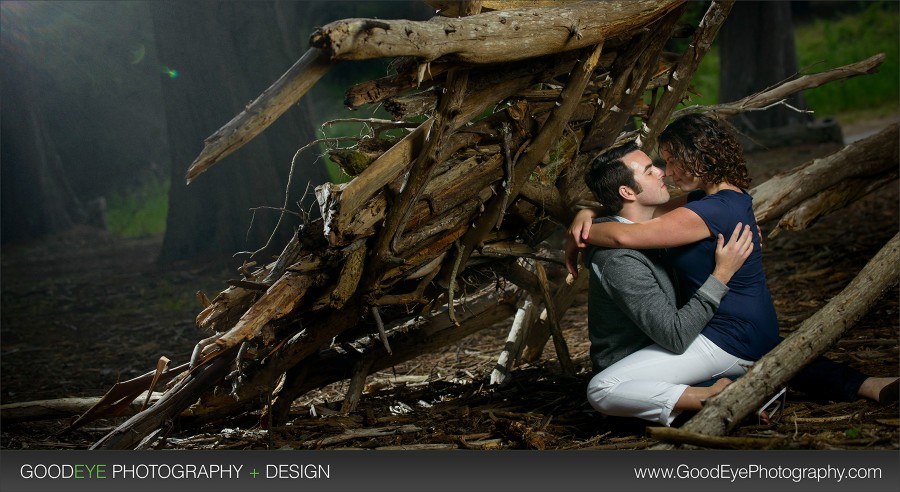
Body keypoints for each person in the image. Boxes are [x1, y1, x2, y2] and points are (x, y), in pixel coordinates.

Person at [566, 114, 898, 426]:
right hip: (746, 324)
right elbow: (637, 219)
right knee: (771, 352)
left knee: (603, 389)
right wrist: (586, 215)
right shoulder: (715, 200)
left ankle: (721, 395)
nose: (665, 171)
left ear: (695, 158)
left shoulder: (703, 211)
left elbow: (625, 233)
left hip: (724, 332)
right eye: (655, 166)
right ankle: (866, 385)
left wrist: (580, 234)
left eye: (668, 161)